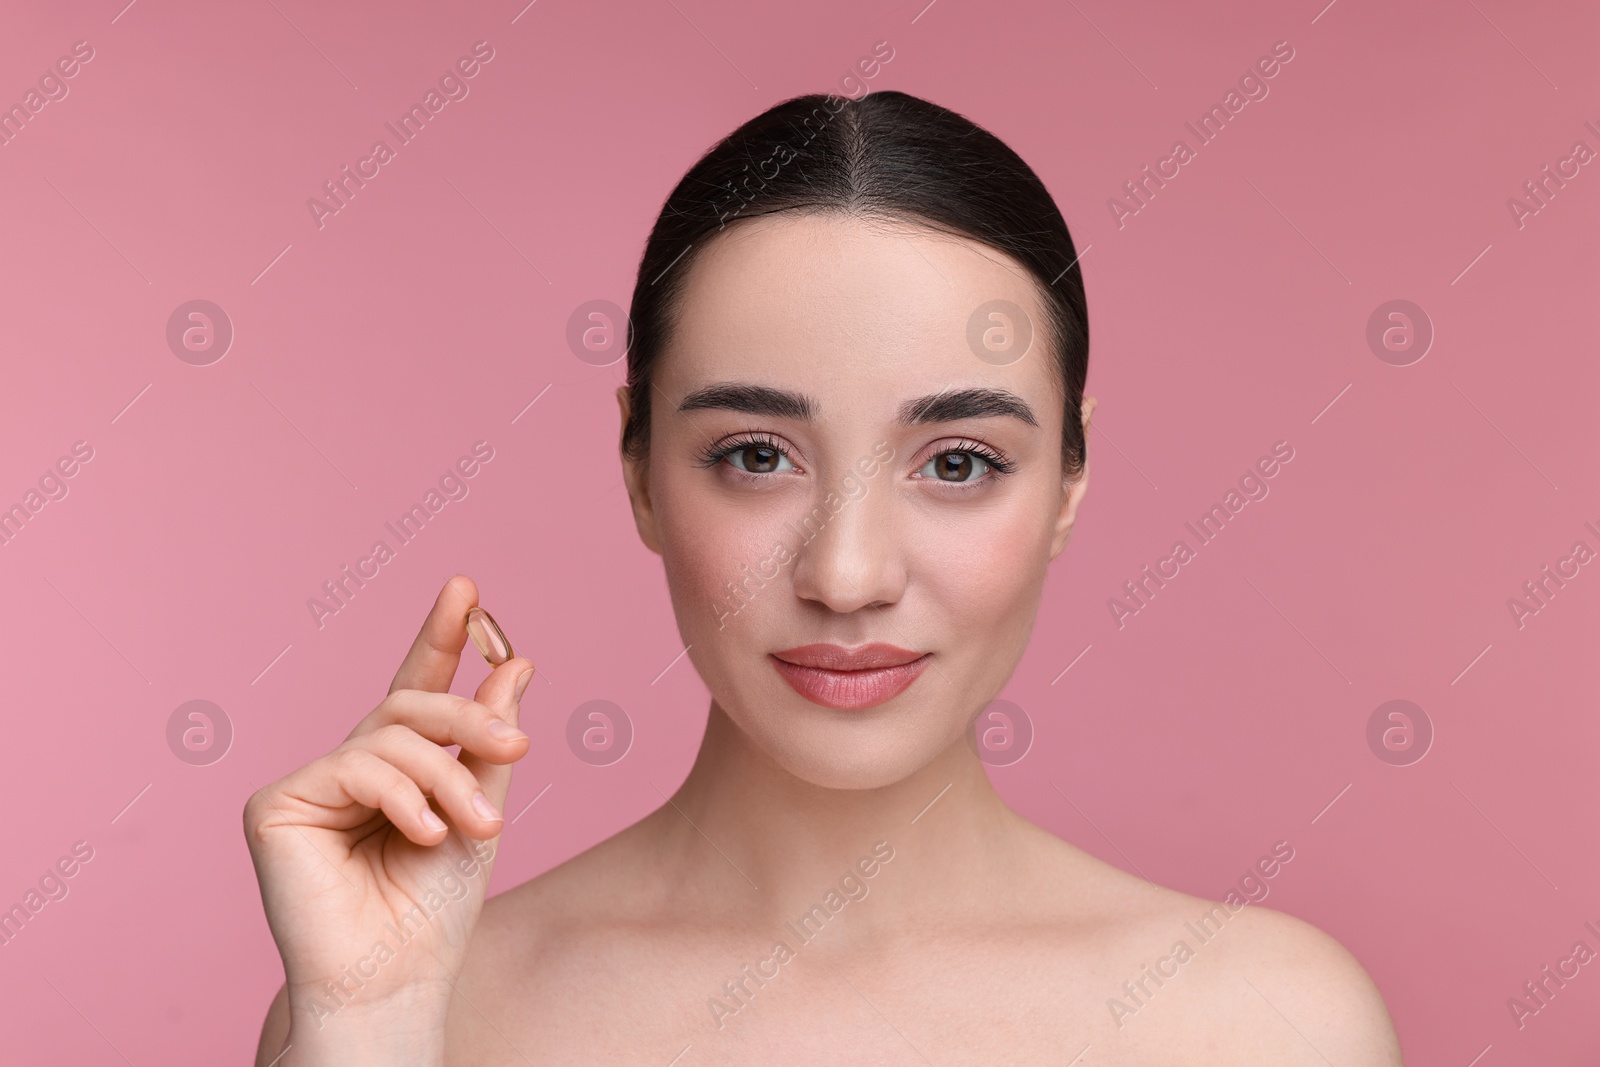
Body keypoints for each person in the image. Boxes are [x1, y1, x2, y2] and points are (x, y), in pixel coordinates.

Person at [247, 89, 1404, 1065]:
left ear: (1066, 481)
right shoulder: (413, 1007)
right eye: (755, 455)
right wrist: (370, 1024)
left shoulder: (1265, 1022)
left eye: (958, 462)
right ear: (641, 470)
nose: (846, 576)